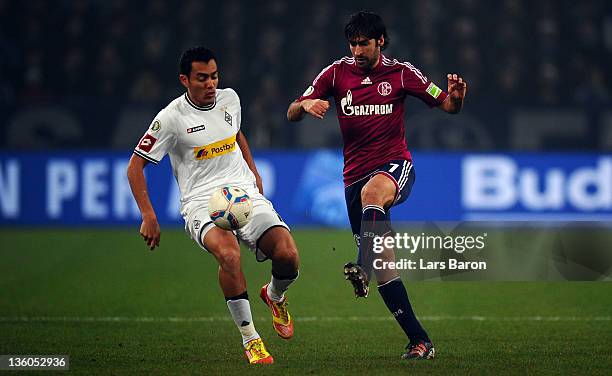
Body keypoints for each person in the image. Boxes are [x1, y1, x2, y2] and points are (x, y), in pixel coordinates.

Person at [287, 11, 467, 360]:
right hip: (353, 179)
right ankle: (420, 341)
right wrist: (305, 104)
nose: (357, 50)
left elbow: (447, 105)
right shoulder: (335, 72)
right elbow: (291, 112)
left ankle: (362, 264)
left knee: (374, 196)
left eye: (364, 43)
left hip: (394, 167)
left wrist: (456, 97)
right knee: (388, 271)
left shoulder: (401, 74)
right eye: (352, 43)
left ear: (380, 41)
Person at [127, 46, 300, 365]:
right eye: (202, 78)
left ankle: (274, 295)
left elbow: (235, 134)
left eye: (214, 76)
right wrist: (148, 214)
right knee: (229, 255)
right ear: (185, 80)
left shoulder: (230, 98)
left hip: (243, 194)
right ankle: (251, 339)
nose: (210, 84)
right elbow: (134, 167)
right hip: (201, 203)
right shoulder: (170, 119)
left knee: (288, 255)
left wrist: (253, 168)